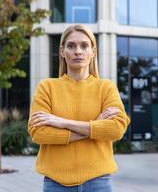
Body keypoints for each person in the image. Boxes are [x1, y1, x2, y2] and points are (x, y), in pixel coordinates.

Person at [28, 24, 130, 192]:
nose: (78, 51)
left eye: (84, 45)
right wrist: (94, 128)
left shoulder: (106, 87)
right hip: (55, 184)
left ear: (93, 52)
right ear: (62, 51)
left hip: (98, 182)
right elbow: (38, 133)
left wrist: (61, 122)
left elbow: (116, 129)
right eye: (71, 45)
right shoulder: (47, 87)